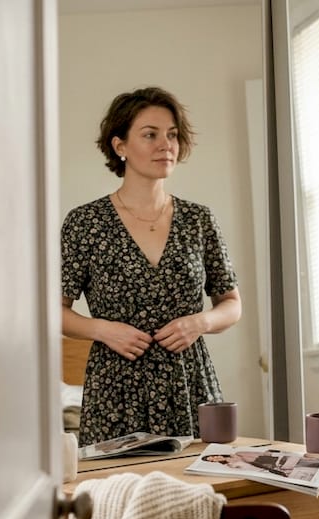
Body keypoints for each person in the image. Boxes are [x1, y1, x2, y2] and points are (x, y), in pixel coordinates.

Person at [60, 87, 242, 446]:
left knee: (201, 493)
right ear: (120, 146)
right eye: (150, 135)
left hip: (190, 383)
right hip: (115, 389)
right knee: (116, 496)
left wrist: (199, 322)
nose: (166, 145)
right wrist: (104, 330)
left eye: (172, 135)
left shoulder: (198, 219)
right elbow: (54, 312)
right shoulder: (85, 222)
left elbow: (232, 304)